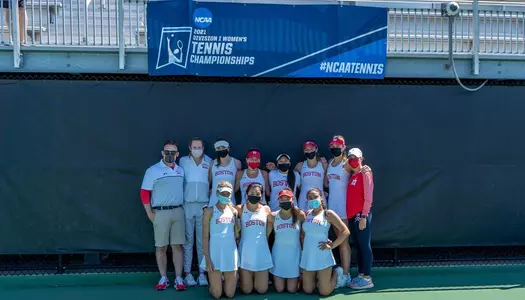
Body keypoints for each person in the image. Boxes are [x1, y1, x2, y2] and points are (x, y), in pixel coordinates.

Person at [140, 140, 186, 291]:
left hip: (178, 211)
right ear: (162, 153)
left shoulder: (181, 170)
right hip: (160, 212)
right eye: (167, 152)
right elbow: (144, 193)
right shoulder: (153, 170)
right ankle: (163, 278)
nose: (170, 155)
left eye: (173, 152)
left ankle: (179, 279)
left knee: (177, 246)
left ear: (177, 154)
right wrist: (150, 214)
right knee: (161, 247)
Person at [300, 187, 349, 296]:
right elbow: (303, 234)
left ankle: (337, 273)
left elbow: (345, 231)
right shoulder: (307, 213)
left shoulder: (328, 214)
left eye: (315, 197)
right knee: (308, 290)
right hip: (308, 256)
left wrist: (332, 245)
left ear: (321, 198)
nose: (312, 200)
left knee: (324, 292)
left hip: (323, 255)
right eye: (309, 198)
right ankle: (319, 280)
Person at [179, 137, 211, 287]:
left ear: (203, 148)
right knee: (187, 241)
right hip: (187, 205)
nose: (197, 149)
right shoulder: (183, 161)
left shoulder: (209, 162)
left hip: (204, 206)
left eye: (200, 147)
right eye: (194, 147)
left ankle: (202, 273)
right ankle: (187, 274)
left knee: (202, 241)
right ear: (190, 148)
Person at [201, 181, 240, 299]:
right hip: (214, 254)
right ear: (217, 193)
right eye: (223, 193)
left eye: (227, 194)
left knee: (229, 294)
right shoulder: (209, 211)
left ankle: (228, 280)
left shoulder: (234, 212)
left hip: (230, 254)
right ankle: (214, 284)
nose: (225, 196)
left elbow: (236, 234)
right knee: (217, 295)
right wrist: (208, 260)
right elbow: (205, 237)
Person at [236, 182, 273, 294]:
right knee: (246, 290)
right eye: (251, 192)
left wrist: (264, 237)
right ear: (246, 194)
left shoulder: (266, 209)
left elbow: (270, 225)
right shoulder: (240, 208)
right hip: (245, 251)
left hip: (262, 250)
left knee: (262, 290)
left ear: (261, 195)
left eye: (257, 193)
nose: (254, 195)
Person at [324, 135, 352, 287]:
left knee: (343, 241)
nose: (335, 148)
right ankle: (342, 271)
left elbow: (359, 174)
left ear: (344, 147)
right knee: (336, 238)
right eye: (333, 145)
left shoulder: (347, 163)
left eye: (338, 145)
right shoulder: (329, 163)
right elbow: (327, 183)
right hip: (331, 207)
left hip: (343, 208)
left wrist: (364, 168)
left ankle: (346, 274)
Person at [345, 148, 375, 290]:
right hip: (352, 216)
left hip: (361, 216)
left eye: (356, 158)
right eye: (350, 158)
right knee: (358, 246)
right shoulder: (352, 175)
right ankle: (361, 274)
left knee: (364, 245)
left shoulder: (365, 173)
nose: (353, 160)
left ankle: (367, 278)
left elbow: (368, 197)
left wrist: (364, 216)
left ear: (361, 159)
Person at [267, 188, 305, 293]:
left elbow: (304, 235)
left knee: (292, 290)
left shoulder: (299, 215)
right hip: (278, 255)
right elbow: (265, 236)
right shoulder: (273, 216)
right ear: (278, 200)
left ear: (292, 200)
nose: (285, 201)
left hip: (294, 254)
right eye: (282, 199)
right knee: (279, 289)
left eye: (287, 199)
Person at [295, 140, 327, 211]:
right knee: (303, 220)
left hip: (319, 198)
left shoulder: (323, 164)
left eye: (311, 149)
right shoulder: (300, 165)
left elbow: (326, 182)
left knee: (321, 220)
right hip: (303, 199)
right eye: (307, 150)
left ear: (316, 149)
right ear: (304, 151)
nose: (309, 152)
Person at [208, 138, 242, 206]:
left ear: (228, 148)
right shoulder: (212, 163)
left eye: (223, 147)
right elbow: (209, 182)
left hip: (230, 202)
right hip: (214, 202)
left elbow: (238, 184)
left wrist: (228, 194)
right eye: (218, 148)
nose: (221, 150)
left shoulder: (236, 163)